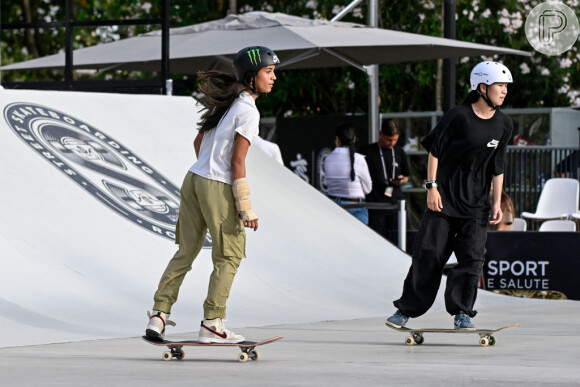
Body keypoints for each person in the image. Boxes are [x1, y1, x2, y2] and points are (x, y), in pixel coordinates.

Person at [145, 46, 280, 343]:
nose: (273, 78)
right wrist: (245, 207)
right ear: (251, 76)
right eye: (268, 72)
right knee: (229, 256)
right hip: (216, 185)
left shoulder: (226, 106)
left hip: (193, 178)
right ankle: (213, 322)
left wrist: (207, 170)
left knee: (186, 251)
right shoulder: (247, 111)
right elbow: (237, 162)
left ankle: (159, 314)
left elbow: (198, 141)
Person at [386, 61, 514, 330]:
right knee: (428, 255)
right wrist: (431, 187)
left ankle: (462, 312)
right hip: (443, 202)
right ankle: (405, 310)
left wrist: (496, 202)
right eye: (499, 85)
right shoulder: (458, 116)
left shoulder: (504, 124)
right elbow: (434, 150)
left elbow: (498, 166)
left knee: (472, 260)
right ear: (482, 87)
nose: (504, 91)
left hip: (476, 206)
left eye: (505, 86)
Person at [360, 119, 410, 243]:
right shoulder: (367, 152)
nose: (391, 143)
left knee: (399, 240)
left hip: (395, 203)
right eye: (389, 139)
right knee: (376, 240)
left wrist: (402, 180)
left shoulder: (399, 151)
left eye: (395, 140)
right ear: (380, 134)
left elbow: (407, 176)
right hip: (376, 204)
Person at [324, 123, 372, 224]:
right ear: (354, 139)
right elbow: (368, 188)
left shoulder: (327, 159)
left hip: (334, 207)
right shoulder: (359, 159)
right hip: (355, 206)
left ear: (337, 139)